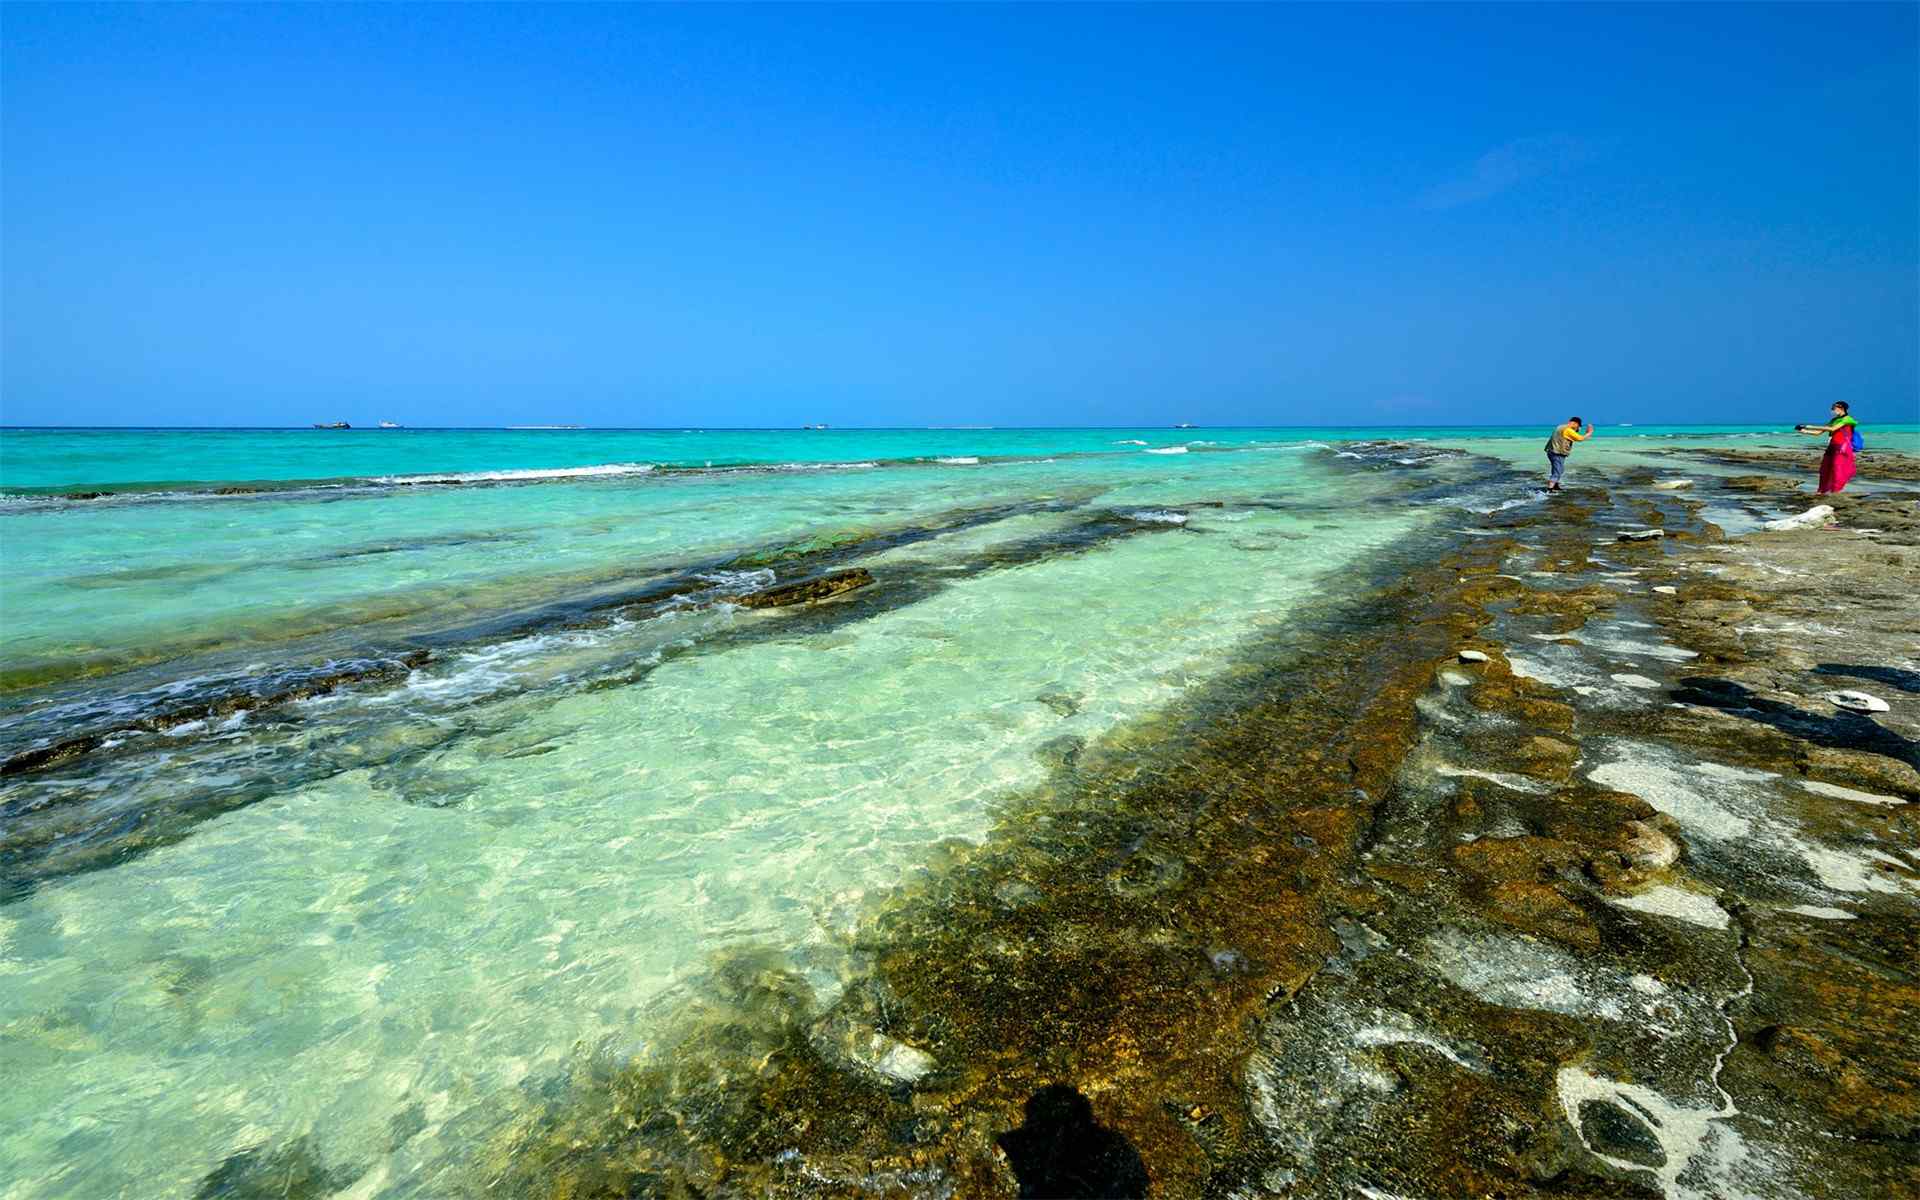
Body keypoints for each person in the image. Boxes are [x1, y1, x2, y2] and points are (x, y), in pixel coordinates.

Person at [1795, 401, 1859, 495]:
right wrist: (1803, 431)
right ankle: (1822, 491)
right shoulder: (1833, 420)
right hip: (1832, 446)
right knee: (1825, 469)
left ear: (1841, 408)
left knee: (1838, 468)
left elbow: (1833, 429)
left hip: (1842, 447)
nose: (1832, 410)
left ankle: (1835, 491)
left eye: (1834, 408)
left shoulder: (1847, 419)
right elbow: (1818, 433)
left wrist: (1808, 426)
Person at [1543, 415, 1592, 491]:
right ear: (1576, 424)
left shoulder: (1560, 427)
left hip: (1551, 451)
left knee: (1558, 469)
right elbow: (1580, 438)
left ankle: (1555, 485)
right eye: (1578, 426)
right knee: (1558, 471)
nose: (1577, 428)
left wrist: (1576, 430)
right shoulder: (1568, 430)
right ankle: (1549, 490)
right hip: (1557, 453)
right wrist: (1589, 432)